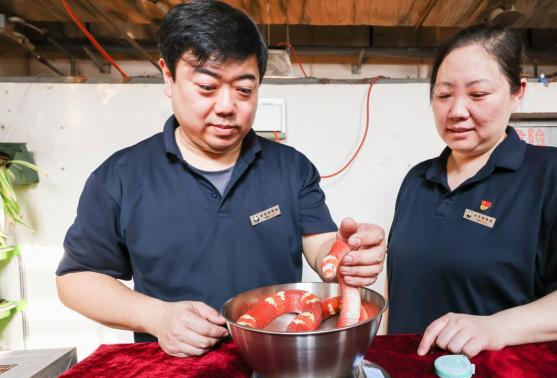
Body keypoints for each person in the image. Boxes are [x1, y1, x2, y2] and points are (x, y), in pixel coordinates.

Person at [56, 0, 385, 358]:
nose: (228, 106)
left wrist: (343, 256)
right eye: (207, 87)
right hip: (171, 372)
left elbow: (322, 249)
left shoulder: (291, 168)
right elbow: (75, 281)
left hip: (277, 363)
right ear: (169, 77)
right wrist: (157, 316)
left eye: (244, 89)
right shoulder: (119, 177)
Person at [386, 24, 557, 358]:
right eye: (444, 95)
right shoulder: (417, 179)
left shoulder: (553, 175)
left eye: (478, 94)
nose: (457, 111)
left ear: (518, 93)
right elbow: (402, 285)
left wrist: (495, 327)